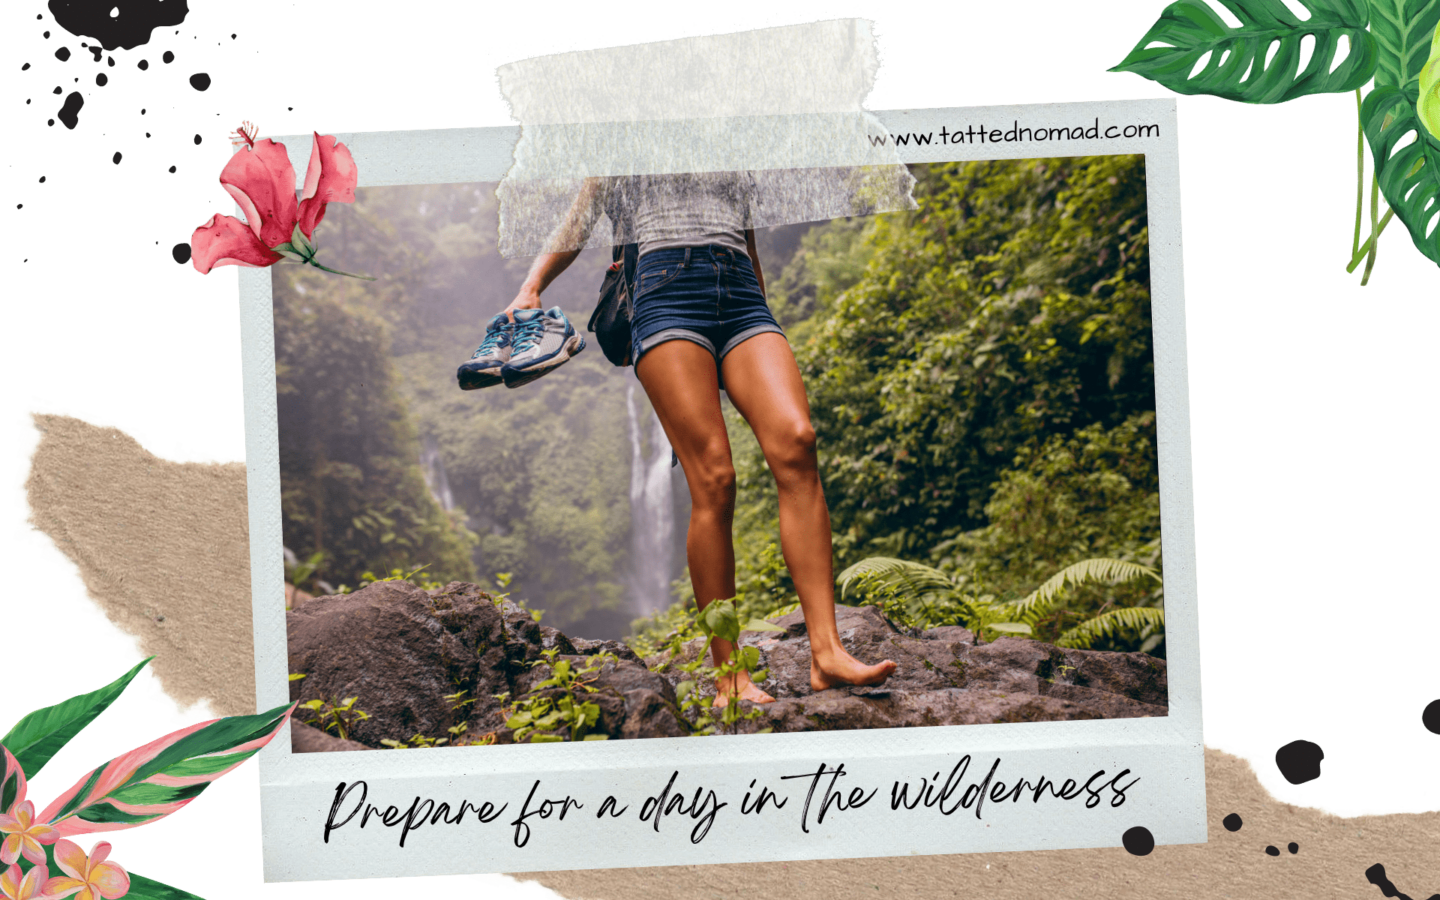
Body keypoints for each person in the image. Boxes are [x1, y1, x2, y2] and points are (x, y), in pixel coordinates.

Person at [488, 172, 896, 706]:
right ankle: (730, 678)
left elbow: (746, 235)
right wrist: (531, 286)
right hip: (666, 292)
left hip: (743, 294)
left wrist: (760, 312)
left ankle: (827, 653)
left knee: (798, 442)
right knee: (715, 478)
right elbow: (580, 217)